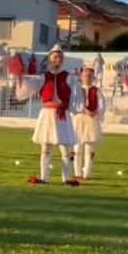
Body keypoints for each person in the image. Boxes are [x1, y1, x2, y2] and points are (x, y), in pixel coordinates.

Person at [10, 43, 80, 186]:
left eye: (60, 57)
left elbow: (76, 97)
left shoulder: (69, 77)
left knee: (65, 147)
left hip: (62, 114)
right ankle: (44, 178)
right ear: (50, 59)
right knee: (45, 147)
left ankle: (66, 179)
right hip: (47, 114)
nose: (58, 59)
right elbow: (25, 91)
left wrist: (70, 109)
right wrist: (20, 76)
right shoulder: (42, 77)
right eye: (55, 57)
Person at [72, 64, 105, 180]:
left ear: (93, 78)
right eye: (85, 75)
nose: (87, 78)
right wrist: (82, 110)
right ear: (81, 76)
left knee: (89, 148)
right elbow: (73, 105)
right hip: (79, 118)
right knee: (77, 147)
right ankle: (77, 173)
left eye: (90, 76)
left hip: (91, 119)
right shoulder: (76, 90)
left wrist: (96, 112)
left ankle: (87, 173)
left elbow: (101, 105)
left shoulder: (96, 91)